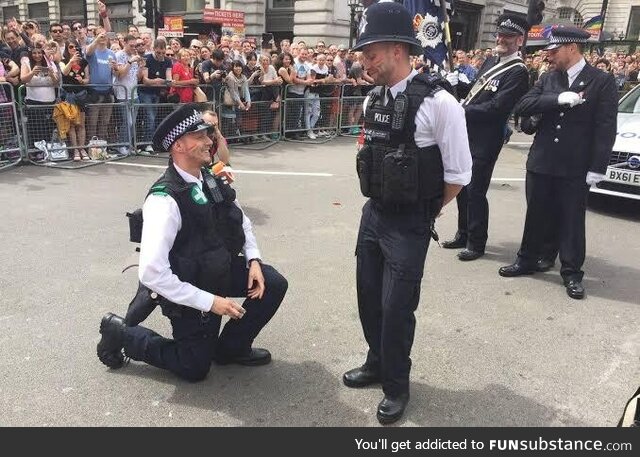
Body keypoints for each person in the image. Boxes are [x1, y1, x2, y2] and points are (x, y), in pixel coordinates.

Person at [344, 1, 472, 424]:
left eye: (370, 53)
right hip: (373, 215)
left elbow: (458, 174)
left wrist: (424, 213)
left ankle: (397, 385)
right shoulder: (373, 100)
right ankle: (376, 361)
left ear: (398, 50)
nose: (364, 60)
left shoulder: (440, 104)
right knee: (368, 299)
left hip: (409, 222)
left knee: (397, 309)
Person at [96, 104, 288, 381]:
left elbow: (239, 219)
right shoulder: (164, 199)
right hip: (187, 286)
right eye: (200, 137)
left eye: (208, 135)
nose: (210, 142)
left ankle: (230, 349)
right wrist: (210, 302)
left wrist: (253, 259)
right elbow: (152, 272)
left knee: (272, 283)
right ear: (178, 146)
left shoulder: (207, 178)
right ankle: (122, 334)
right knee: (193, 367)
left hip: (215, 270)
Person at [499, 27, 617, 300]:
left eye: (554, 51)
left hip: (575, 166)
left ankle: (572, 272)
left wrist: (598, 165)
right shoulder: (550, 79)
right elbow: (523, 106)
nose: (549, 56)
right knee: (536, 214)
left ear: (572, 48)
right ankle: (527, 259)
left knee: (571, 221)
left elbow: (605, 127)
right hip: (542, 161)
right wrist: (556, 100)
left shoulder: (601, 81)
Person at [442, 14, 530, 262]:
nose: (502, 39)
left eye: (508, 36)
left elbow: (497, 108)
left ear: (519, 40)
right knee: (461, 187)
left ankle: (476, 242)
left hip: (486, 138)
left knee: (476, 191)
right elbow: (474, 94)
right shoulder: (491, 61)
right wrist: (457, 86)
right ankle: (463, 232)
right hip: (466, 133)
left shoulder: (518, 72)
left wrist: (462, 110)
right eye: (500, 34)